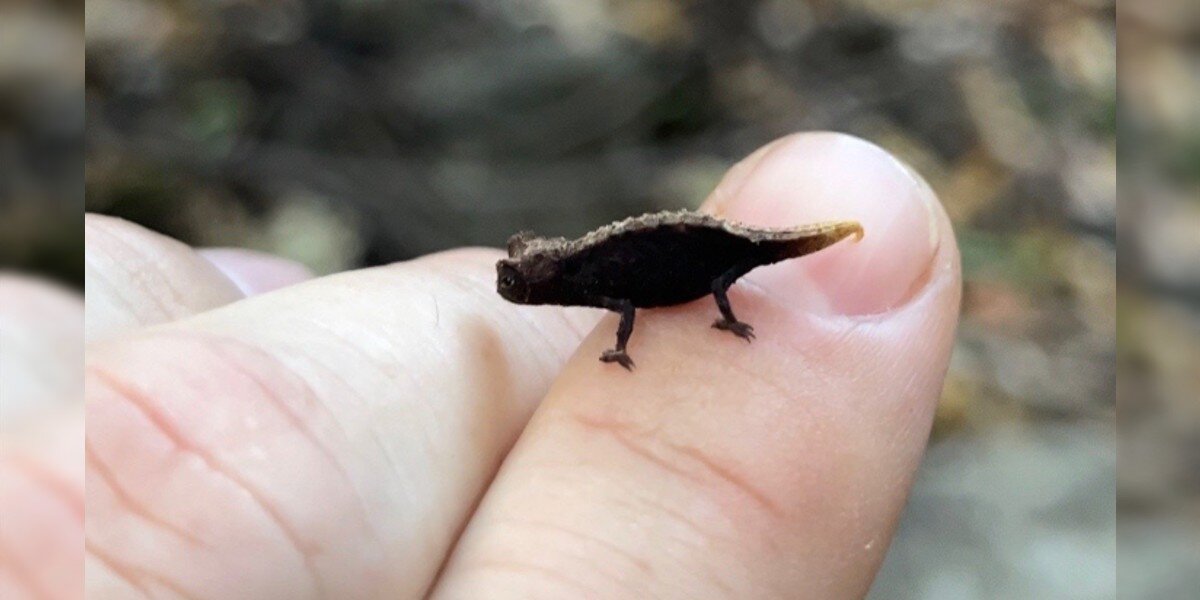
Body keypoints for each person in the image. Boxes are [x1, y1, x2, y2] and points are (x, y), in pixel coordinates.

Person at [5, 132, 960, 598]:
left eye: (525, 279)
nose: (521, 288)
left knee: (732, 266)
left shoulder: (594, 282)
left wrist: (660, 338)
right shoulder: (579, 276)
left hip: (706, 260)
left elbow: (632, 303)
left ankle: (790, 263)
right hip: (683, 260)